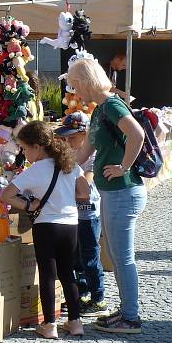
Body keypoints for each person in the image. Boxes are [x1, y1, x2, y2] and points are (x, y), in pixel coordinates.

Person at [67, 57, 146, 334]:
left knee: (122, 257)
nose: (75, 92)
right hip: (113, 192)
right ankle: (126, 310)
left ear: (85, 81)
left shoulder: (111, 105)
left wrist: (123, 166)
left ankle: (131, 317)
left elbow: (137, 135)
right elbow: (82, 153)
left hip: (124, 191)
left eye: (75, 85)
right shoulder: (100, 110)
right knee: (114, 252)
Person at [0, 121, 87, 339]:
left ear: (37, 147)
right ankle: (75, 322)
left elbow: (6, 195)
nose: (24, 152)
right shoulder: (70, 165)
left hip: (46, 225)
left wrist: (29, 205)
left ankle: (49, 325)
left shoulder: (35, 170)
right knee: (68, 274)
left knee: (48, 275)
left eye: (25, 148)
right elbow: (85, 192)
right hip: (70, 225)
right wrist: (66, 198)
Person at [55, 112, 107, 316]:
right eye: (65, 137)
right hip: (73, 213)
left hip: (88, 212)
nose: (68, 141)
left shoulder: (92, 156)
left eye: (72, 137)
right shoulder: (71, 155)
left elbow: (84, 187)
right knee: (75, 256)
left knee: (90, 255)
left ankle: (98, 297)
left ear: (85, 134)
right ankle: (83, 292)